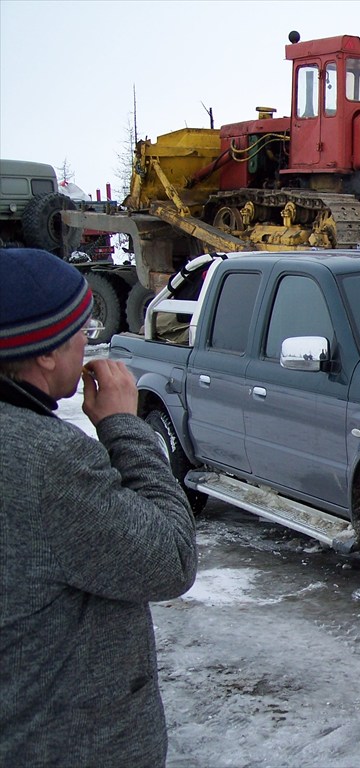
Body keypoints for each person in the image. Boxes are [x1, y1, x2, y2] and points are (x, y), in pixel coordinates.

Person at [0, 249, 198, 765]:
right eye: (80, 330)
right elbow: (170, 558)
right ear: (46, 353)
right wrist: (124, 428)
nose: (88, 340)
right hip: (62, 742)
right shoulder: (45, 459)